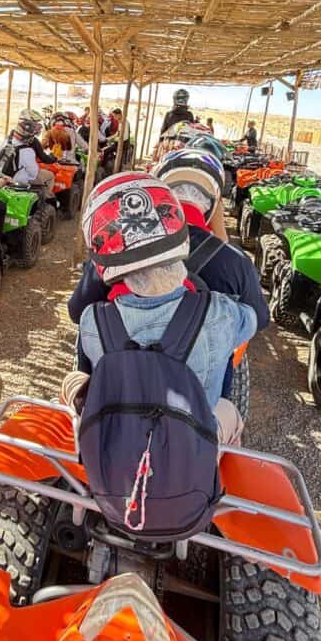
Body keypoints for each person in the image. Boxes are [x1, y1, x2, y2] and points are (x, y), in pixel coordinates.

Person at [70, 173, 257, 447]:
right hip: (188, 452)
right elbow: (251, 321)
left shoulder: (92, 321)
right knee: (228, 409)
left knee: (74, 381)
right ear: (179, 232)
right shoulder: (222, 314)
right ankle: (218, 465)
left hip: (115, 449)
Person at [69, 159, 268, 335]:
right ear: (213, 205)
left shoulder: (116, 251)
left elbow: (77, 311)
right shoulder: (236, 261)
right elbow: (259, 319)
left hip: (117, 355)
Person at [0, 110, 56, 197]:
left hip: (2, 177)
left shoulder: (8, 140)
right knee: (50, 175)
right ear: (28, 127)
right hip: (19, 182)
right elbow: (33, 174)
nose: (38, 129)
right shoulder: (27, 150)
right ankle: (45, 198)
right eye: (36, 126)